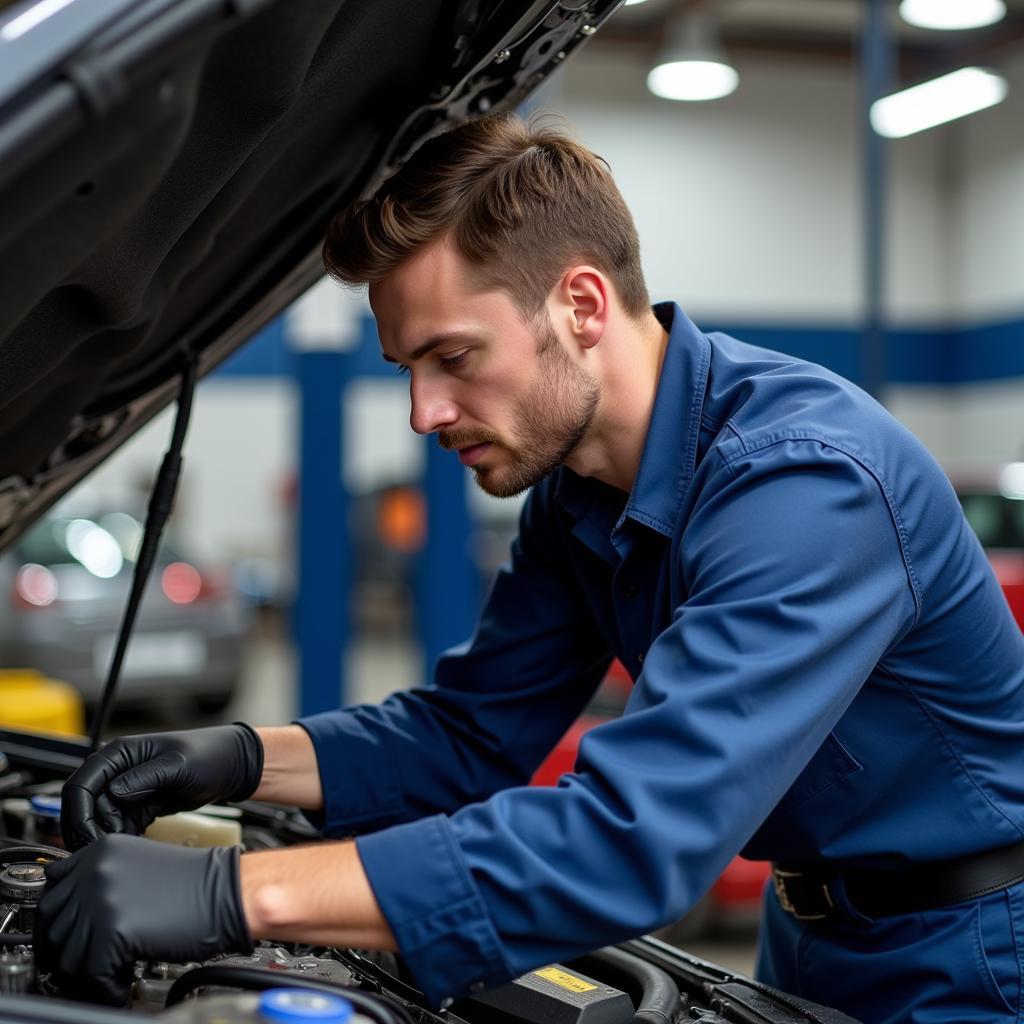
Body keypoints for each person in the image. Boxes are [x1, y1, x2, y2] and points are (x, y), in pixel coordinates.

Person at [36, 114, 1024, 1024]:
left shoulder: (806, 489)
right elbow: (467, 733)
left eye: (452, 358)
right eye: (406, 372)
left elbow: (633, 838)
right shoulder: (578, 490)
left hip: (971, 949)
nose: (423, 413)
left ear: (581, 304)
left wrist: (231, 896)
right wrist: (230, 756)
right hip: (807, 929)